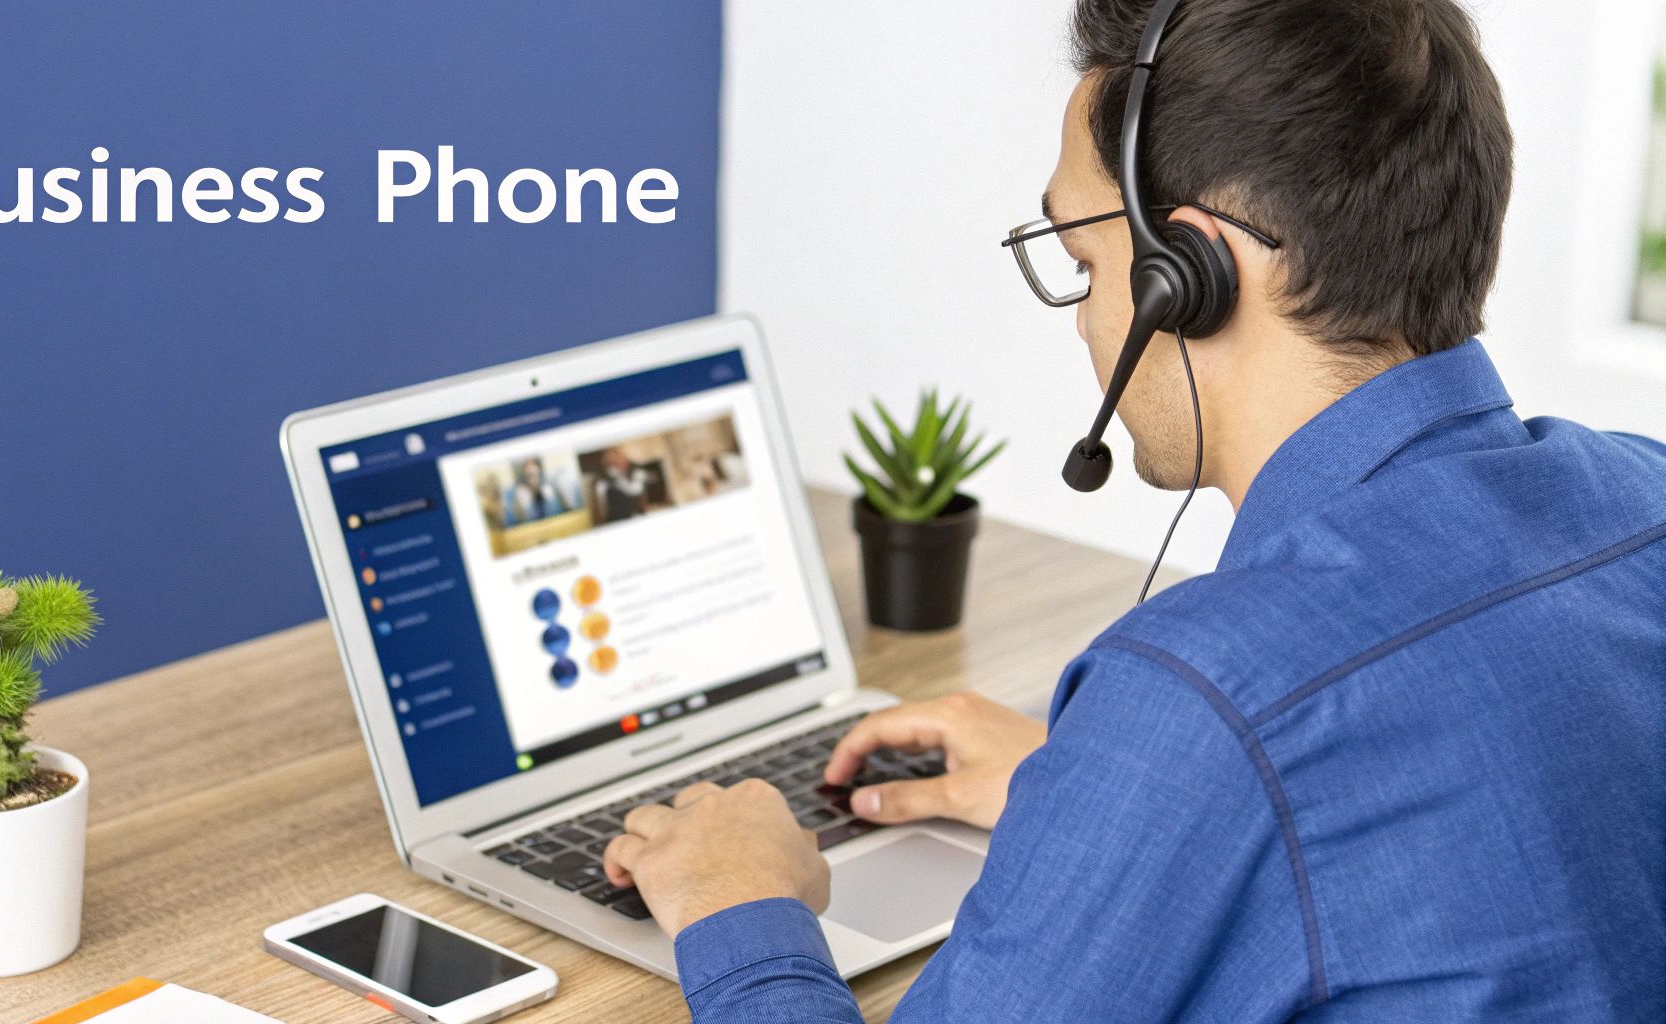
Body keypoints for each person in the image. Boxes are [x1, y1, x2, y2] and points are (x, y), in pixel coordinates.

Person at [601, 1, 1666, 1020]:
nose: (1082, 323)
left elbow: (1286, 734)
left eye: (1080, 261)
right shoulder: (1644, 495)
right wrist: (1106, 802)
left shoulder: (1210, 696)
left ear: (1189, 273)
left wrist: (740, 904)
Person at [502, 456, 569, 526]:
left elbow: (566, 513)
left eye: (534, 464)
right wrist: (522, 507)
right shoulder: (511, 494)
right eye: (526, 465)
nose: (531, 469)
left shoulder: (551, 485)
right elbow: (511, 525)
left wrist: (550, 499)